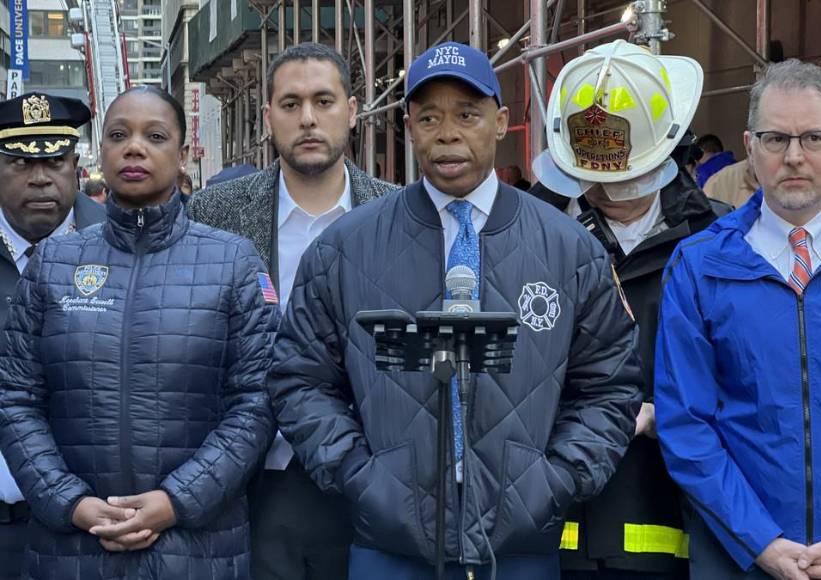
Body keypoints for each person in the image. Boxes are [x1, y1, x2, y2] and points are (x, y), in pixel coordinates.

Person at [270, 40, 642, 580]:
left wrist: (554, 482)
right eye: (429, 117)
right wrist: (362, 478)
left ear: (501, 121)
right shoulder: (345, 247)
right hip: (388, 546)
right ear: (408, 127)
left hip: (521, 548)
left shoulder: (569, 249)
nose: (448, 133)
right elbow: (299, 379)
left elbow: (609, 384)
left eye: (467, 114)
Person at [0, 85, 278, 580]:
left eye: (155, 135)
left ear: (184, 152)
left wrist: (178, 500)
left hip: (197, 546)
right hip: (71, 548)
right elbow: (16, 395)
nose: (134, 148)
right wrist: (70, 502)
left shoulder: (233, 260)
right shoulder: (54, 263)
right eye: (118, 135)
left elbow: (256, 399)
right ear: (99, 152)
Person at [188, 42, 396, 580]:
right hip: (249, 484)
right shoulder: (214, 215)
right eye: (290, 103)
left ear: (352, 111)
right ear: (268, 117)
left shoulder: (400, 214)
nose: (307, 118)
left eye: (324, 101)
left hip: (370, 480)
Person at [529, 39, 729, 580]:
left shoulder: (720, 238)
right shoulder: (525, 234)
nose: (609, 192)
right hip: (546, 525)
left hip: (671, 518)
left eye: (626, 179)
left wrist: (671, 414)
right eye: (595, 180)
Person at [655, 59, 821, 580]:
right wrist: (761, 542)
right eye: (776, 139)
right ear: (750, 147)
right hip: (738, 559)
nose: (795, 157)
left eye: (815, 138)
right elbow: (686, 423)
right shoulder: (700, 266)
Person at [0, 92, 106, 580]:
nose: (40, 178)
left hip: (98, 526)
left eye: (55, 161)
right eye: (20, 163)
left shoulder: (124, 241)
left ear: (76, 165)